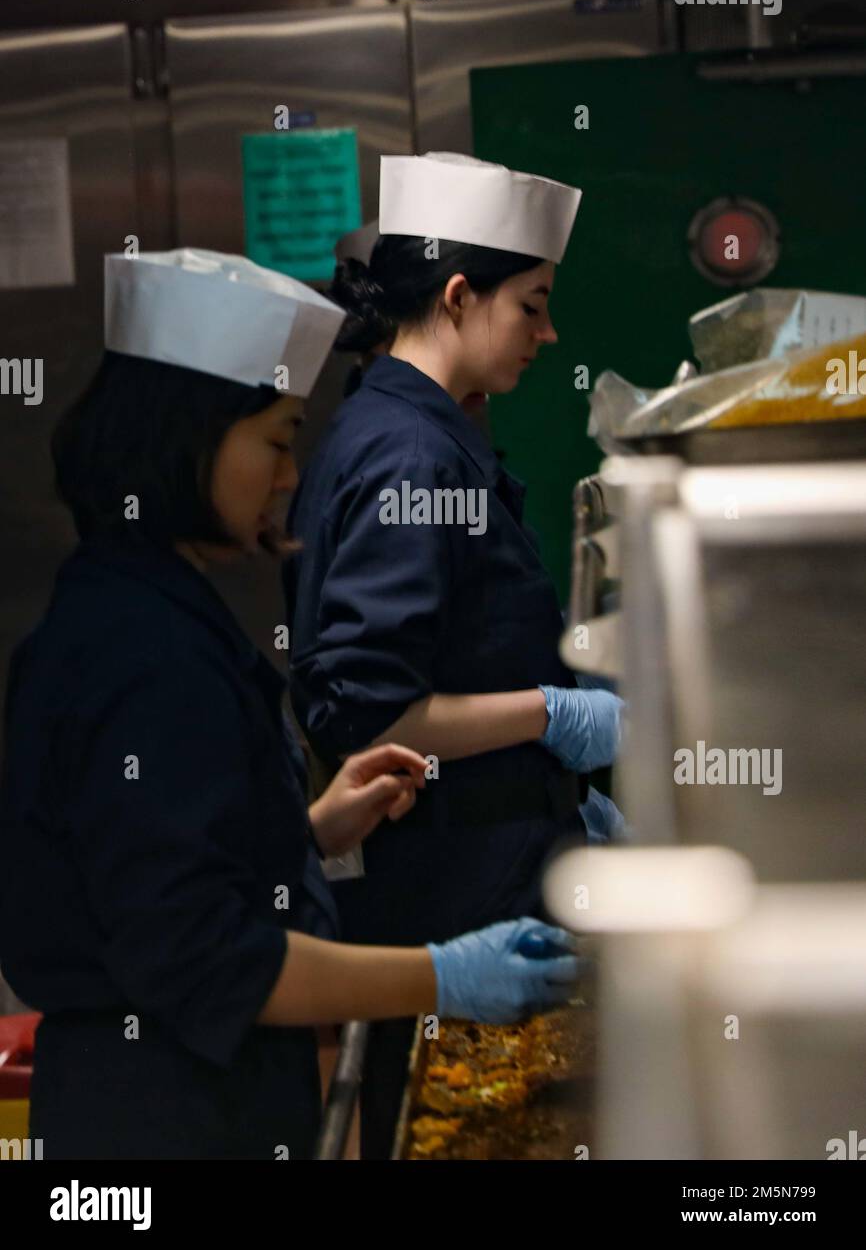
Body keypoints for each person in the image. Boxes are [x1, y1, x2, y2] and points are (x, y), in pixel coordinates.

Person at [0, 248, 583, 1161]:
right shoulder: (141, 654)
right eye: (275, 441)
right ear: (190, 435)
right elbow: (207, 955)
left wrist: (308, 829)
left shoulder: (143, 606)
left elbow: (151, 866)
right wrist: (440, 976)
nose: (287, 477)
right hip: (162, 1119)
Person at [283, 153, 624, 1155]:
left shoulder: (421, 433)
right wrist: (552, 718)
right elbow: (366, 709)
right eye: (533, 305)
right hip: (454, 892)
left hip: (474, 868)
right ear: (458, 295)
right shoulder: (409, 454)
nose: (547, 333)